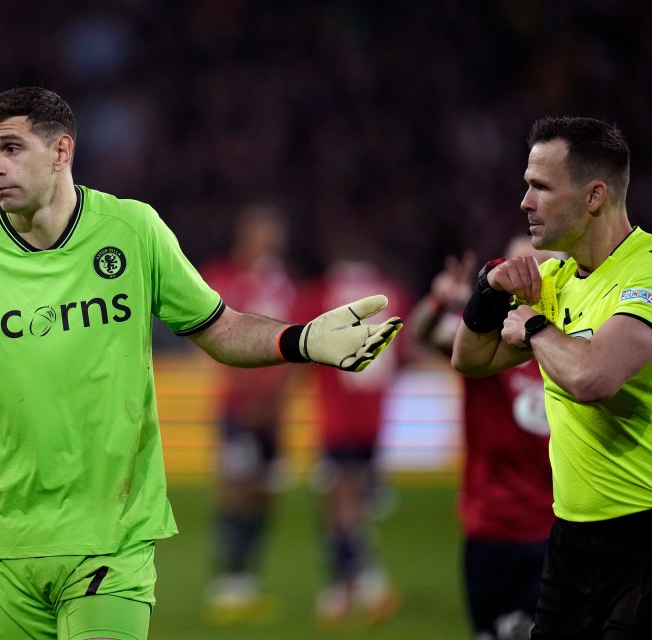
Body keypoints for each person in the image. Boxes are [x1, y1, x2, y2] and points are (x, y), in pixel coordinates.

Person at [0, 87, 402, 640]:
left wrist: (299, 341)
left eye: (10, 148)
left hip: (108, 534)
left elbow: (220, 327)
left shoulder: (133, 230)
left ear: (62, 152)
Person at [451, 116, 652, 638]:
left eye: (541, 186)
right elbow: (469, 360)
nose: (525, 201)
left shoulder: (645, 273)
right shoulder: (558, 280)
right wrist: (489, 292)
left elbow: (592, 377)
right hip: (570, 541)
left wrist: (534, 325)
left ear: (593, 196)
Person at [409, 235, 556, 640]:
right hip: (492, 527)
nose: (526, 275)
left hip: (560, 527)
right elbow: (421, 335)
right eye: (516, 266)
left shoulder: (574, 341)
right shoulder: (485, 341)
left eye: (536, 265)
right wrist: (440, 301)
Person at [199, 205, 301, 624]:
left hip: (273, 414)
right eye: (263, 234)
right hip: (238, 411)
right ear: (246, 236)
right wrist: (247, 394)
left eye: (274, 235)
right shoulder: (223, 277)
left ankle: (247, 582)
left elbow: (297, 344)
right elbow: (216, 338)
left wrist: (278, 401)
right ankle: (227, 580)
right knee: (236, 488)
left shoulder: (284, 285)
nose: (271, 242)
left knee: (264, 494)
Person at [306, 255, 410, 627]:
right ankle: (347, 585)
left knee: (340, 502)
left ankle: (361, 581)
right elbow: (406, 351)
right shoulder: (391, 291)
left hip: (339, 417)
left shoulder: (322, 293)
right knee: (352, 503)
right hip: (375, 417)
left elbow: (302, 346)